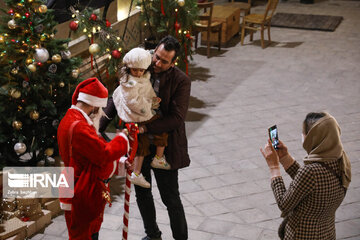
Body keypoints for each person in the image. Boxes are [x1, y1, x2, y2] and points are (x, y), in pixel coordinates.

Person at [99, 35, 191, 240]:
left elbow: (176, 118)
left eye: (164, 61)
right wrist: (99, 125)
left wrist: (142, 128)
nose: (157, 63)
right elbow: (120, 94)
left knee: (171, 198)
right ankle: (153, 235)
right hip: (139, 145)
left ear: (173, 62)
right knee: (142, 192)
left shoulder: (181, 81)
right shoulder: (142, 64)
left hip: (164, 146)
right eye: (156, 56)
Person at [57, 77, 130, 240]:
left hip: (75, 184)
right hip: (81, 191)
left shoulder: (71, 118)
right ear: (94, 105)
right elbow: (102, 153)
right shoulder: (80, 127)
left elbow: (87, 155)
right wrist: (122, 140)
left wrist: (118, 163)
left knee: (88, 232)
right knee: (84, 235)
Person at [260, 112, 351, 240]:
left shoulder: (311, 172)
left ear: (312, 137)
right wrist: (286, 158)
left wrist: (274, 167)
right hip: (327, 232)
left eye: (304, 133)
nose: (302, 136)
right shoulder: (341, 161)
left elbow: (284, 204)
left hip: (302, 235)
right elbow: (311, 186)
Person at [111, 47, 171, 189]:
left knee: (141, 143)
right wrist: (149, 107)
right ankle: (158, 158)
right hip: (138, 114)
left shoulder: (144, 78)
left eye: (141, 70)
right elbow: (134, 101)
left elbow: (148, 91)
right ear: (129, 68)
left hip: (142, 112)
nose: (138, 73)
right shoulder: (129, 83)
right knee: (161, 127)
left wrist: (153, 99)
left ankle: (136, 173)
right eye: (135, 70)